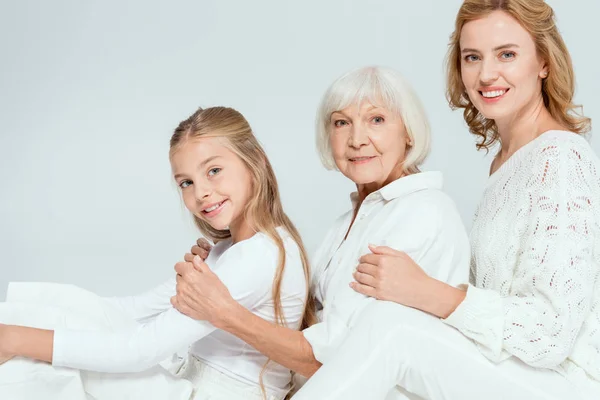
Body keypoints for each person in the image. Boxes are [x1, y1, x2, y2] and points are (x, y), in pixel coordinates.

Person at [286, 1, 600, 399]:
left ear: (543, 62)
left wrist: (428, 291)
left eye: (507, 54)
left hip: (561, 383)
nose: (486, 74)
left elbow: (550, 333)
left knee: (393, 328)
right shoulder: (506, 163)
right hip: (506, 369)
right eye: (472, 57)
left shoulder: (559, 157)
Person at [170, 66, 471, 398]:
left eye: (377, 120)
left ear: (409, 132)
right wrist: (220, 270)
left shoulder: (423, 213)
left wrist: (225, 312)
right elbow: (304, 327)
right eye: (341, 123)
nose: (357, 139)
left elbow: (340, 362)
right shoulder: (347, 222)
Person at [0, 106, 314, 400]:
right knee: (58, 333)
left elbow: (141, 349)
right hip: (189, 384)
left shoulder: (258, 256)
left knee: (40, 357)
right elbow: (134, 310)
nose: (200, 192)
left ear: (254, 161)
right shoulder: (229, 250)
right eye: (186, 182)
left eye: (214, 170)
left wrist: (16, 339)